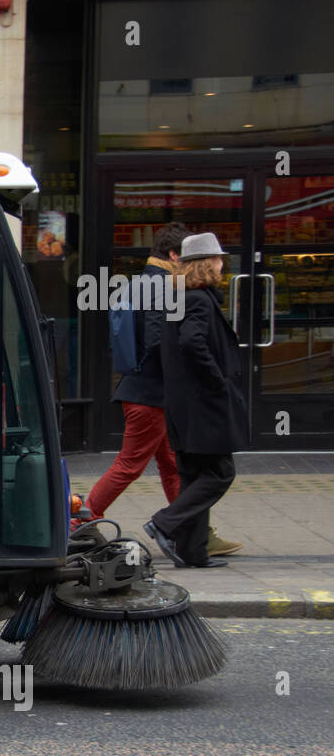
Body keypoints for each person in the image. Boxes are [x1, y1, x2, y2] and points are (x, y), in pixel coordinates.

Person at [86, 223, 242, 556]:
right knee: (132, 464)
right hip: (152, 395)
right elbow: (163, 342)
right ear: (173, 255)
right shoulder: (163, 288)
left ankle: (191, 532)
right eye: (183, 258)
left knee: (174, 465)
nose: (186, 265)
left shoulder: (142, 283)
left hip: (149, 392)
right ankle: (84, 518)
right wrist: (203, 378)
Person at [144, 232, 247, 568]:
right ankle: (164, 522)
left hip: (182, 404)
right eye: (218, 259)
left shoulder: (178, 297)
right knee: (219, 473)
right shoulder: (199, 300)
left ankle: (193, 551)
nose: (222, 264)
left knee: (193, 474)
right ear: (207, 263)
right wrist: (216, 381)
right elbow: (191, 342)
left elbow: (166, 347)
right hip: (204, 404)